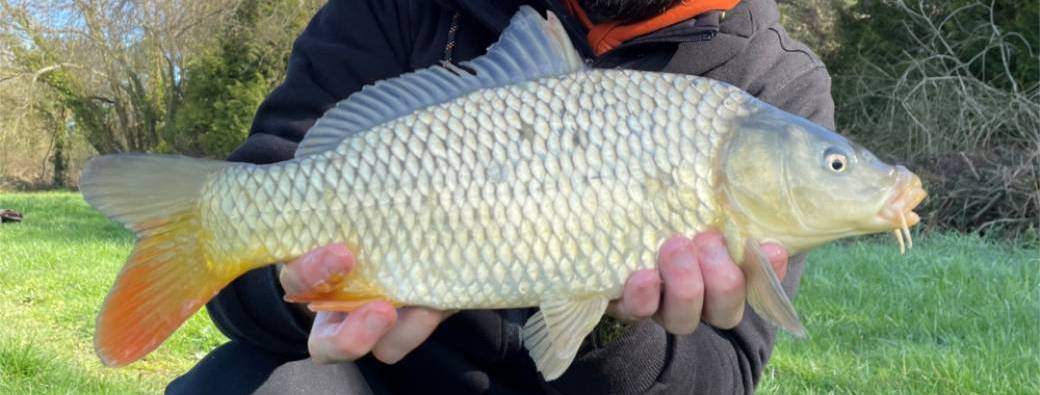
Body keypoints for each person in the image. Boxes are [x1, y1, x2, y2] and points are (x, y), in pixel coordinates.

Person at [167, 0, 834, 393]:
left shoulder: (773, 83)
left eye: (833, 168)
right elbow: (238, 297)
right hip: (386, 378)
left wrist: (607, 324)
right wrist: (297, 286)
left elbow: (727, 371)